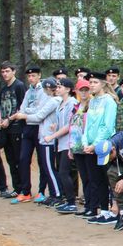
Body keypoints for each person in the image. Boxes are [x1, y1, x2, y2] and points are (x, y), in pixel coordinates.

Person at [12, 78, 61, 206]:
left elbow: (39, 115)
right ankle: (53, 194)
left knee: (49, 168)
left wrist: (25, 116)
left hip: (49, 138)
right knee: (47, 166)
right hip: (44, 135)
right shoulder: (49, 99)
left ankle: (57, 195)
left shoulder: (54, 101)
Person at [82, 71, 118, 224]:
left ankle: (113, 211)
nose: (91, 85)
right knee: (96, 180)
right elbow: (87, 125)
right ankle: (103, 210)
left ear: (103, 83)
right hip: (90, 146)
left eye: (94, 82)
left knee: (107, 178)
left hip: (102, 146)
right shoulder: (92, 101)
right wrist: (85, 143)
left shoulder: (109, 101)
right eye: (90, 83)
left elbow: (108, 127)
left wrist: (95, 144)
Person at [9, 66, 44, 204]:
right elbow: (22, 108)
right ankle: (25, 191)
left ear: (39, 76)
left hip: (39, 128)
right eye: (29, 76)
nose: (31, 78)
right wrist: (26, 113)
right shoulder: (28, 91)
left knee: (42, 161)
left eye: (34, 76)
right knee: (23, 159)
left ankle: (42, 191)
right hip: (27, 128)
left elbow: (40, 110)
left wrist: (25, 113)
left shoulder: (44, 90)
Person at [0, 61, 25, 199]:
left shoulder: (19, 86)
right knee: (11, 159)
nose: (5, 74)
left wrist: (10, 119)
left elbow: (22, 106)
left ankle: (24, 188)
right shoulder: (3, 89)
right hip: (5, 129)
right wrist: (0, 119)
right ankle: (16, 187)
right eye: (2, 71)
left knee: (19, 159)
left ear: (13, 71)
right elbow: (1, 107)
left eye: (7, 71)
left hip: (17, 128)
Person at [50, 78, 79, 213]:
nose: (57, 89)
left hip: (69, 142)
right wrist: (55, 127)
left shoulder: (72, 103)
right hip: (61, 143)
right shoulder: (61, 103)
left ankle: (71, 202)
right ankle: (68, 200)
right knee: (62, 172)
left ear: (68, 89)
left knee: (64, 172)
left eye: (60, 86)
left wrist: (53, 136)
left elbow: (70, 125)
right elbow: (61, 122)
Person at [67, 79, 94, 217]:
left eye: (86, 90)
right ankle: (88, 205)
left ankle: (92, 206)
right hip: (76, 147)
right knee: (84, 177)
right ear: (76, 91)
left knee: (90, 177)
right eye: (81, 90)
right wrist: (70, 147)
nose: (83, 93)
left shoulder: (92, 105)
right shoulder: (76, 107)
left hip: (87, 146)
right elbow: (72, 127)